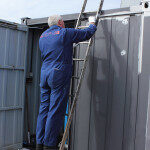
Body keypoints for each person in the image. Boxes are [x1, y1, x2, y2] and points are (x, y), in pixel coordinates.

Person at [36, 14, 97, 150]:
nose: (63, 23)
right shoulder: (64, 33)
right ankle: (49, 145)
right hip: (57, 74)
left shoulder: (42, 37)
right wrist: (92, 22)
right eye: (62, 22)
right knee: (55, 109)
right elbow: (87, 33)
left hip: (44, 73)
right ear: (59, 22)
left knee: (44, 109)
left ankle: (39, 143)